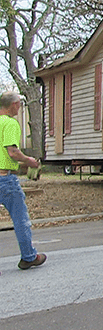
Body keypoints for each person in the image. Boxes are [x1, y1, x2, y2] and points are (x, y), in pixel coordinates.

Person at [0, 91, 46, 271]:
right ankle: (28, 256)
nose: (19, 107)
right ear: (13, 105)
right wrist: (30, 161)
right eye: (19, 104)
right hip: (5, 178)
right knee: (20, 219)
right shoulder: (10, 123)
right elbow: (12, 151)